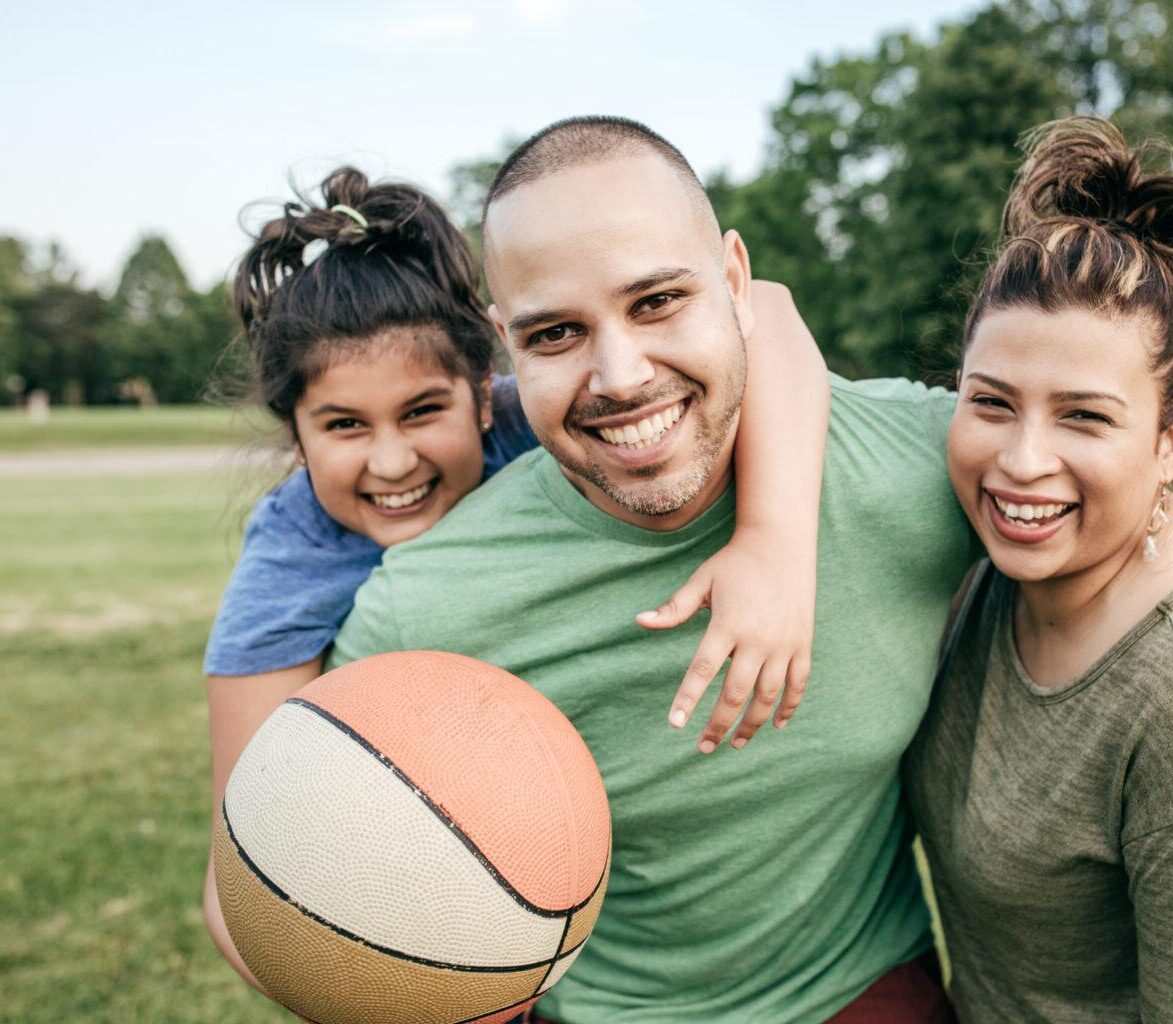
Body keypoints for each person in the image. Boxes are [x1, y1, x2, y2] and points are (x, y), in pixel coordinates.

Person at [329, 116, 975, 1023]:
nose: (621, 375)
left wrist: (780, 543)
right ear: (502, 341)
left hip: (857, 989)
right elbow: (318, 870)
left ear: (737, 280)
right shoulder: (427, 605)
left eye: (658, 301)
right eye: (556, 333)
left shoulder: (926, 465)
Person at [201, 165, 834, 994]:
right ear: (295, 434)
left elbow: (772, 310)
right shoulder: (288, 563)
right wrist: (403, 993)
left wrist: (776, 546)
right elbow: (238, 880)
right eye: (344, 425)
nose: (392, 460)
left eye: (424, 411)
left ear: (483, 394)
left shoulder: (548, 420)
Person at [905, 116, 1173, 1022]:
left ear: (1172, 438)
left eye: (1084, 417)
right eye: (991, 402)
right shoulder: (990, 563)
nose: (1021, 461)